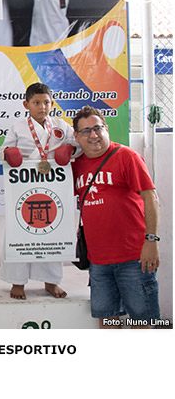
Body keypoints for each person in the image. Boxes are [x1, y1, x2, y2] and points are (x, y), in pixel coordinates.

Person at [72, 106, 160, 329]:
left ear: (106, 129)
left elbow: (151, 197)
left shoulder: (126, 156)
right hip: (98, 262)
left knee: (143, 322)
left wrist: (151, 241)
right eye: (86, 131)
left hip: (134, 258)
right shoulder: (76, 166)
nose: (93, 135)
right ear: (76, 137)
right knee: (108, 322)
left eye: (97, 128)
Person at [0, 82, 79, 300]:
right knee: (20, 228)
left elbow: (78, 145)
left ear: (52, 104)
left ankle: (51, 281)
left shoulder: (61, 126)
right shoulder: (17, 127)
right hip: (24, 183)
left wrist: (69, 150)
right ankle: (17, 282)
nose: (42, 107)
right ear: (26, 104)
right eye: (36, 103)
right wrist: (10, 154)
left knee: (53, 228)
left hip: (54, 184)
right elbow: (3, 151)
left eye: (46, 102)